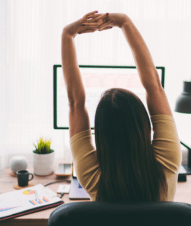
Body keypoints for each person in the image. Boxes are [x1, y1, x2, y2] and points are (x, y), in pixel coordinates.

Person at [61, 11, 181, 201]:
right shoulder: (167, 161)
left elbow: (76, 103)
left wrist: (67, 35)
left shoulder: (90, 175)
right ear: (145, 125)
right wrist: (124, 22)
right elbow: (154, 87)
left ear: (100, 132)